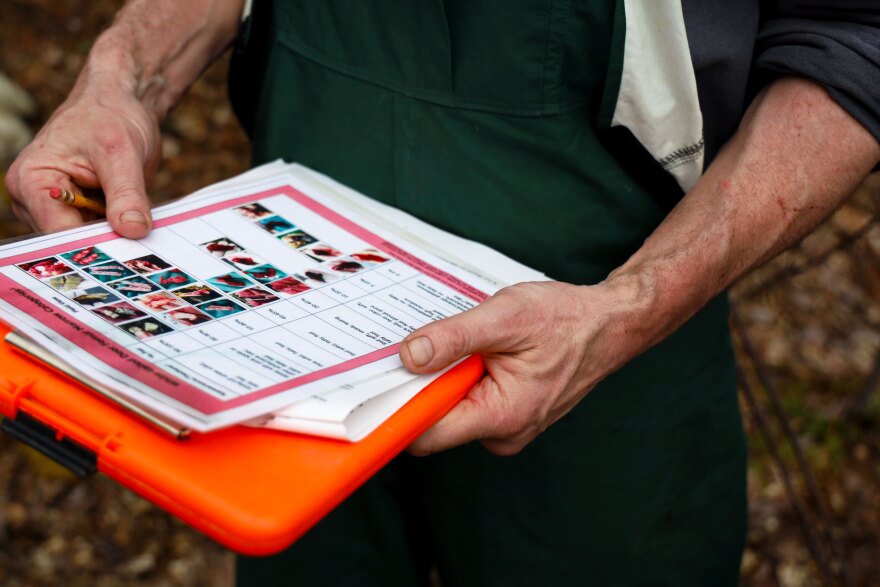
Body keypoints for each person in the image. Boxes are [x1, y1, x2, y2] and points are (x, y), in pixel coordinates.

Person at [6, 1, 880, 585]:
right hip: (289, 392)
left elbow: (854, 37)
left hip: (606, 366)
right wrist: (124, 75)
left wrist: (631, 308)